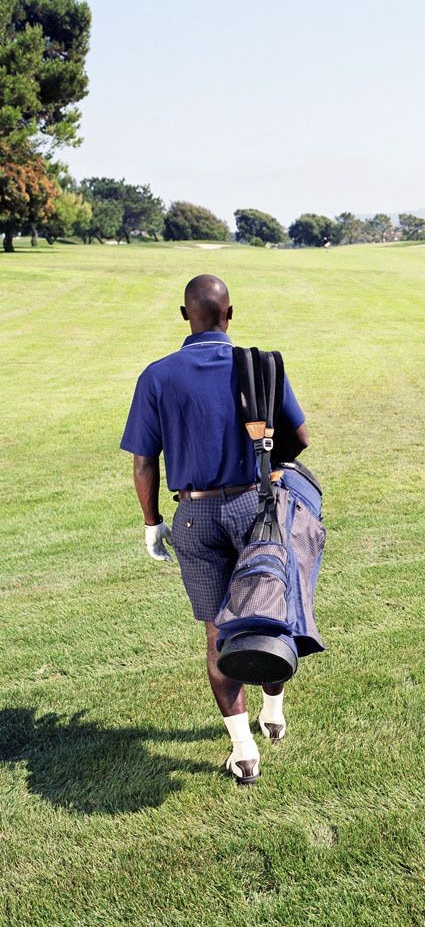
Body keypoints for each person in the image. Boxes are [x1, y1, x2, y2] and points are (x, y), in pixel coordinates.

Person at [120, 274, 309, 786]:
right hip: (256, 507)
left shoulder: (157, 376)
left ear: (185, 316)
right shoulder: (262, 366)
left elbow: (143, 462)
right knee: (267, 614)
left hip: (194, 518)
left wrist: (151, 522)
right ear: (230, 314)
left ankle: (244, 749)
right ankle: (273, 711)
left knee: (217, 634)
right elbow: (300, 438)